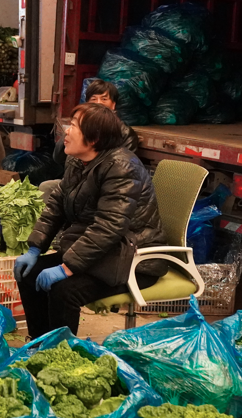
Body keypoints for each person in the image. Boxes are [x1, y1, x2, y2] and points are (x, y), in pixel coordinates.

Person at [14, 103, 168, 338]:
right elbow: (56, 203)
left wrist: (66, 268)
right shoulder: (78, 161)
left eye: (74, 126)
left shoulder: (122, 168)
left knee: (64, 289)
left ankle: (60, 352)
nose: (66, 131)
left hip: (134, 258)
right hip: (103, 252)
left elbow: (109, 226)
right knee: (29, 273)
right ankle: (39, 343)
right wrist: (35, 247)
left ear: (94, 138)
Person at [54, 80, 139, 167]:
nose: (98, 103)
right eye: (93, 99)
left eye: (104, 99)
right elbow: (58, 157)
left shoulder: (125, 133)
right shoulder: (78, 128)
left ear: (113, 105)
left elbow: (124, 164)